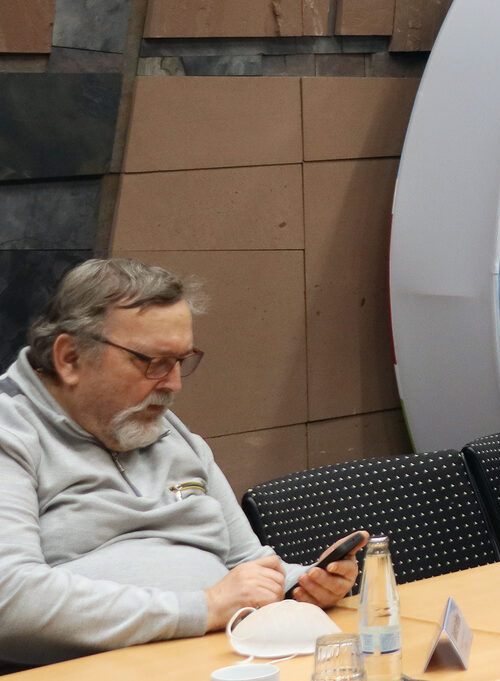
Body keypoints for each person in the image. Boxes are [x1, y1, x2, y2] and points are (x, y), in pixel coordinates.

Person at [0, 258, 357, 667]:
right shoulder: (12, 433)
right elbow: (11, 598)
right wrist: (203, 608)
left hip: (224, 655)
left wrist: (303, 584)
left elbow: (247, 563)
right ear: (69, 358)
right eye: (152, 362)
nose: (173, 385)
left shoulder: (160, 426)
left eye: (180, 362)